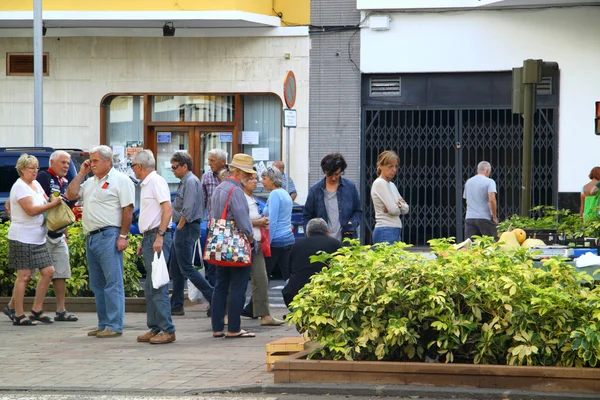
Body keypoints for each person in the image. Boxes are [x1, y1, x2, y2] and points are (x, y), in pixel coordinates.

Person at [66, 145, 135, 338]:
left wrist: (123, 236)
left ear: (108, 161)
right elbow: (70, 195)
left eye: (95, 161)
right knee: (97, 284)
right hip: (91, 236)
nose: (92, 164)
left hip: (109, 235)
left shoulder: (120, 180)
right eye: (91, 160)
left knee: (113, 282)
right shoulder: (90, 182)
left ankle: (114, 325)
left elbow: (127, 209)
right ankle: (103, 323)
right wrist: (81, 173)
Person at [3, 150, 79, 322]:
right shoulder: (20, 186)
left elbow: (46, 200)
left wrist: (56, 201)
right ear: (22, 169)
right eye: (31, 168)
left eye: (37, 168)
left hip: (38, 237)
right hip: (22, 236)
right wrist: (52, 204)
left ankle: (36, 309)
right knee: (24, 276)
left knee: (49, 271)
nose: (35, 171)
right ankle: (19, 314)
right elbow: (31, 210)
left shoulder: (36, 184)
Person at [132, 150, 176, 344]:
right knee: (150, 286)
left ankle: (167, 329)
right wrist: (146, 240)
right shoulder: (147, 183)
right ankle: (155, 327)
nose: (132, 169)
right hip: (150, 237)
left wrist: (160, 235)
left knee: (157, 284)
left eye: (133, 165)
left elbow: (167, 209)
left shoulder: (156, 182)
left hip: (157, 237)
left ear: (140, 166)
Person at [210, 153, 256, 338]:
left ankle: (217, 327)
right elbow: (243, 221)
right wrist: (251, 239)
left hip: (220, 243)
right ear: (237, 172)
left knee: (220, 285)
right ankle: (234, 328)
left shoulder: (219, 188)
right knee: (238, 286)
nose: (249, 177)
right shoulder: (236, 191)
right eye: (246, 173)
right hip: (235, 244)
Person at [169, 151, 213, 316]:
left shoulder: (191, 181)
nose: (172, 170)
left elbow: (187, 208)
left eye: (174, 167)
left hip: (186, 227)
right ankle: (177, 304)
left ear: (184, 166)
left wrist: (180, 226)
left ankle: (212, 295)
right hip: (183, 227)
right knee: (176, 267)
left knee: (186, 267)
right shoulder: (184, 181)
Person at [240, 170, 284, 326]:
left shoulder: (253, 198)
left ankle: (264, 315)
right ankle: (226, 314)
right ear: (243, 180)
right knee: (237, 280)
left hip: (257, 242)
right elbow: (239, 220)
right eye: (251, 179)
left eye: (257, 179)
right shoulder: (240, 197)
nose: (256, 182)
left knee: (261, 279)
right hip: (243, 243)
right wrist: (259, 222)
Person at [282, 218, 342, 309]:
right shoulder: (337, 244)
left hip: (298, 292)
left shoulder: (297, 245)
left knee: (287, 282)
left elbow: (289, 270)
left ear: (307, 233)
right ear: (327, 232)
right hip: (328, 291)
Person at [302, 153, 362, 242]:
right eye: (329, 174)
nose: (334, 178)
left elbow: (358, 211)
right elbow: (307, 216)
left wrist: (352, 223)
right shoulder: (315, 190)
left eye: (337, 174)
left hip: (346, 241)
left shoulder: (350, 187)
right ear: (324, 171)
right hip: (322, 242)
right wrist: (310, 237)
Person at [201, 149, 227, 288]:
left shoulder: (231, 176)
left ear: (223, 162)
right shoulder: (206, 177)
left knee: (228, 264)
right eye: (208, 160)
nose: (209, 163)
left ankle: (226, 300)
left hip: (229, 227)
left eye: (212, 160)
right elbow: (202, 202)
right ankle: (214, 300)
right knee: (212, 265)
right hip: (212, 227)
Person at [370, 150, 409, 244]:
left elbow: (406, 209)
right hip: (385, 230)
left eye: (396, 166)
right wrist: (399, 205)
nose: (394, 169)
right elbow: (393, 210)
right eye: (390, 166)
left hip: (394, 230)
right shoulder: (380, 183)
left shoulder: (391, 185)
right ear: (381, 166)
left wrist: (398, 205)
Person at [463, 161, 498, 240]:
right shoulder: (489, 181)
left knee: (470, 246)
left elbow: (467, 201)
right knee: (491, 244)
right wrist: (494, 216)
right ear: (488, 170)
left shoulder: (468, 182)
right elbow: (492, 199)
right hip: (484, 218)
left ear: (477, 170)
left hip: (470, 218)